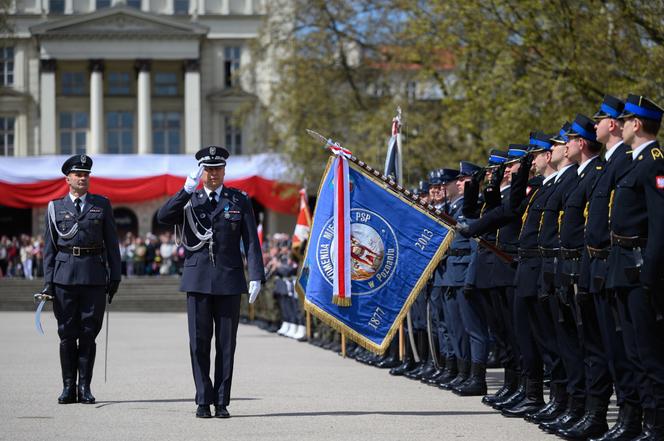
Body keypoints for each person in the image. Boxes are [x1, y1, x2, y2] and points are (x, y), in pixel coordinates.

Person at [157, 145, 264, 419]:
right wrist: (185, 190)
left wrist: (256, 276)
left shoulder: (239, 199)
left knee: (226, 345)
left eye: (217, 169)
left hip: (229, 279)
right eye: (208, 169)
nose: (213, 174)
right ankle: (203, 399)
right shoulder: (190, 199)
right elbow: (163, 217)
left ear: (225, 170)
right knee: (199, 343)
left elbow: (251, 240)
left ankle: (222, 401)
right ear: (200, 171)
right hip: (198, 278)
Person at [42, 154, 121, 405]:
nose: (83, 178)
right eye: (78, 174)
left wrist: (115, 275)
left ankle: (85, 387)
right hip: (64, 277)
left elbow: (112, 243)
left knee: (88, 333)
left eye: (86, 174)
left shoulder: (102, 205)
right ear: (68, 179)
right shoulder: (56, 207)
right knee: (66, 334)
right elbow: (49, 249)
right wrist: (48, 282)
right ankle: (68, 387)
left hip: (94, 276)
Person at [607, 94, 664, 440]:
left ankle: (657, 426)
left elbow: (660, 225)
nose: (622, 125)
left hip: (641, 269)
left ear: (636, 124)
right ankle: (642, 422)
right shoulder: (634, 162)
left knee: (648, 352)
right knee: (632, 351)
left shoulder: (655, 163)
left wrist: (650, 275)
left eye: (626, 120)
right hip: (624, 267)